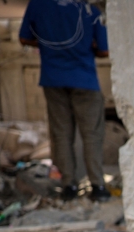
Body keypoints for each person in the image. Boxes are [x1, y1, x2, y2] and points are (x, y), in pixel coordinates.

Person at [19, 0, 111, 202]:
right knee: (92, 134)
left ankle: (68, 185)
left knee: (61, 134)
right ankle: (97, 185)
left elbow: (24, 38)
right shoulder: (89, 8)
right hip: (84, 79)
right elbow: (105, 51)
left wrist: (47, 45)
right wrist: (85, 47)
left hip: (53, 79)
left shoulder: (38, 5)